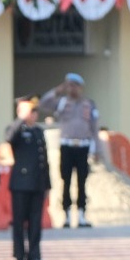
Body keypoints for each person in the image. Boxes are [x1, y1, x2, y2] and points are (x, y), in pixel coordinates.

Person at [41, 73, 99, 228]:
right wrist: (58, 90)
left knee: (82, 182)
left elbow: (94, 128)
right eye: (70, 86)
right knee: (65, 181)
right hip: (66, 146)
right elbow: (43, 103)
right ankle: (66, 215)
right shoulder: (61, 102)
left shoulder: (89, 104)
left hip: (83, 146)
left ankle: (81, 215)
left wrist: (97, 149)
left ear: (80, 87)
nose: (72, 89)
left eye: (75, 86)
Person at [7, 96, 52, 260]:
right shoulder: (16, 128)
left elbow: (44, 160)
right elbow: (10, 138)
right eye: (30, 111)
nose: (33, 114)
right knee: (19, 222)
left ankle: (34, 256)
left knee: (35, 222)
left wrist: (48, 184)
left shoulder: (38, 131)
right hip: (21, 183)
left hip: (37, 183)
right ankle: (19, 256)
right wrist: (21, 119)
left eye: (34, 111)